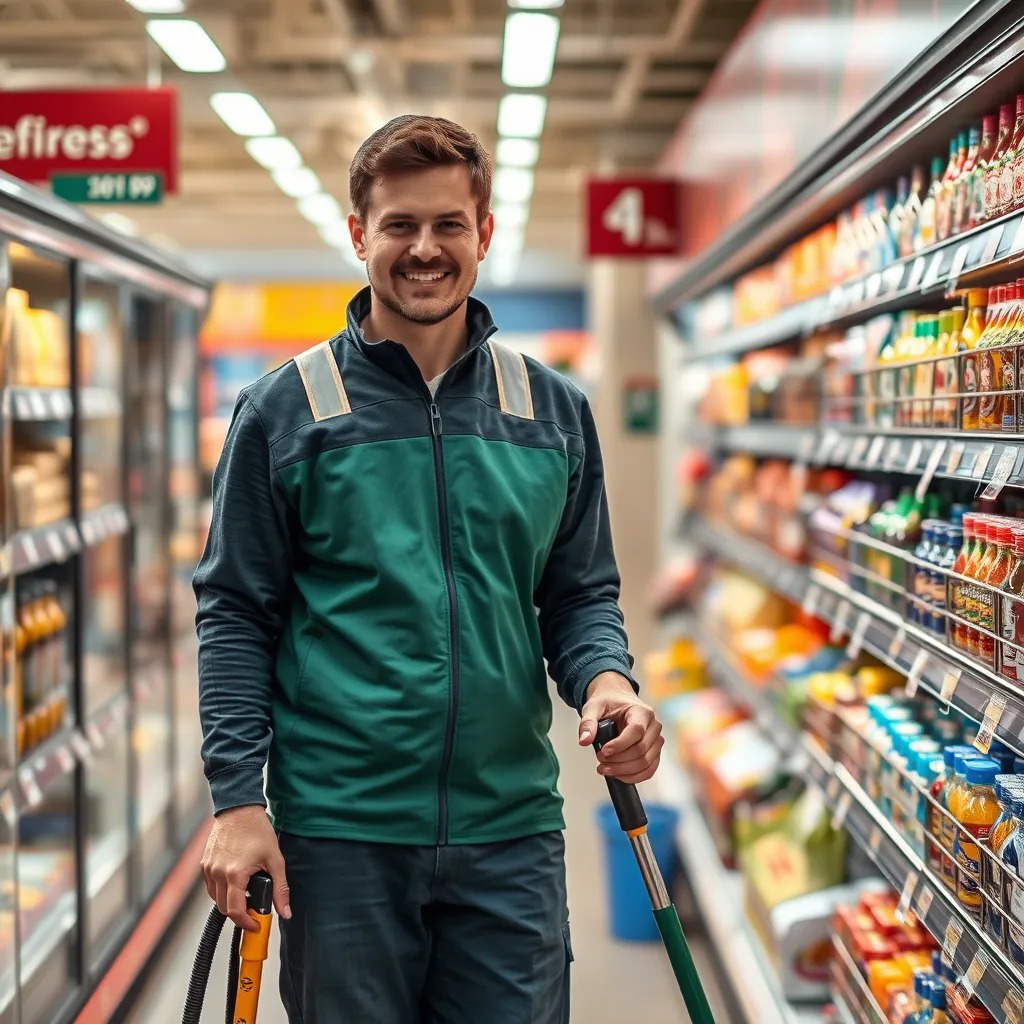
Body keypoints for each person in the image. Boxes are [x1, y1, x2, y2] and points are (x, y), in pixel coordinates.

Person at [194, 114, 664, 1024]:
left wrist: (608, 683)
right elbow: (236, 613)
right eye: (399, 224)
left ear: (483, 234)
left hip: (510, 827)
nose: (424, 248)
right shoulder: (285, 411)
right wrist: (236, 801)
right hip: (343, 832)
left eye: (448, 224)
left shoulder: (551, 410)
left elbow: (577, 594)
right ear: (358, 233)